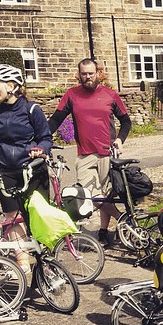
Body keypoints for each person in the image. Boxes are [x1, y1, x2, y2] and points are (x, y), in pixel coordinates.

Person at [48, 58, 132, 246]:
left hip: (108, 153)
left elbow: (126, 121)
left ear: (97, 74)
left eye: (91, 73)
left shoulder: (110, 95)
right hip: (85, 154)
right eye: (84, 74)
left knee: (107, 194)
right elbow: (55, 120)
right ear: (79, 75)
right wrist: (40, 139)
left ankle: (103, 231)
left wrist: (120, 139)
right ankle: (124, 221)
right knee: (93, 196)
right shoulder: (71, 95)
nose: (87, 77)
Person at [0, 64, 53, 273]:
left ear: (12, 85)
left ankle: (46, 261)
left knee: (37, 215)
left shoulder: (31, 109)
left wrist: (40, 149)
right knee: (12, 216)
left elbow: (46, 138)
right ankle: (23, 264)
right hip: (3, 170)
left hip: (31, 169)